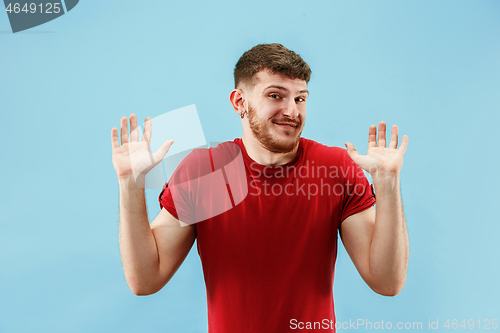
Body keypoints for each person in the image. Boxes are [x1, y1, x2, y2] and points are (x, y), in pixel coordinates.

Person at [110, 43, 409, 333]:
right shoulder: (208, 172)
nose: (292, 111)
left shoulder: (335, 169)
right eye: (276, 95)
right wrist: (129, 184)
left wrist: (388, 184)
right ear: (240, 102)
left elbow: (386, 282)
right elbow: (145, 280)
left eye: (300, 98)